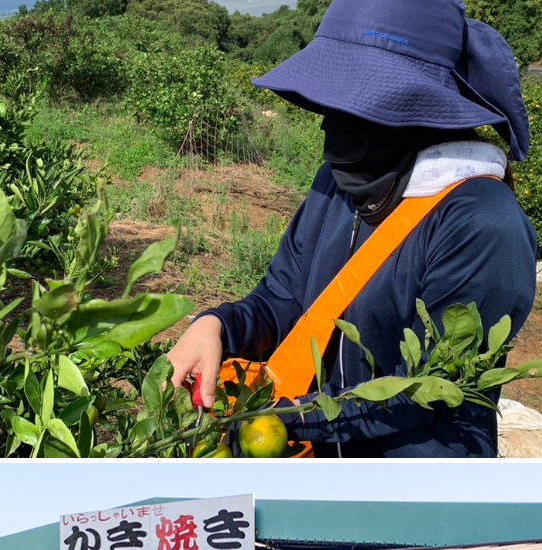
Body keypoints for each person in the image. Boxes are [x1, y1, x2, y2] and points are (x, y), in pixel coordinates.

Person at [166, 0, 537, 457]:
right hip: (316, 470)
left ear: (422, 108)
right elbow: (284, 300)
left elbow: (430, 391)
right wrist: (217, 326)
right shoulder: (340, 183)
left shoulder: (480, 221)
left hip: (413, 500)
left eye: (354, 101)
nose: (330, 122)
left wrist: (289, 417)